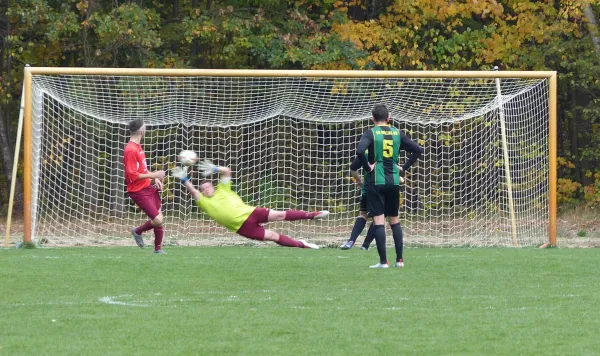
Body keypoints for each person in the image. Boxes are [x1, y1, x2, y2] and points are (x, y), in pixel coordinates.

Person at [171, 161, 326, 249]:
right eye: (203, 189)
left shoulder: (223, 188)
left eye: (207, 186)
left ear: (213, 186)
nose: (205, 189)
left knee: (279, 214)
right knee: (272, 236)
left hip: (251, 212)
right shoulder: (204, 202)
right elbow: (192, 190)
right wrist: (184, 179)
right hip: (242, 227)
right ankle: (302, 244)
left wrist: (214, 168)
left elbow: (227, 171)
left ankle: (313, 215)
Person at [357, 104, 423, 268]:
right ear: (388, 118)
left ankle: (383, 262)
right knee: (394, 220)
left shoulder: (371, 133)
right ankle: (399, 260)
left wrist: (367, 167)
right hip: (393, 180)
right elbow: (417, 149)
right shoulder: (397, 133)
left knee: (379, 221)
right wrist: (404, 168)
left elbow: (360, 151)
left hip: (376, 181)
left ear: (372, 118)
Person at [123, 119, 167, 254]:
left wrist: (154, 178)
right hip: (138, 191)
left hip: (146, 186)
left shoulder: (138, 147)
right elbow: (133, 175)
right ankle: (137, 231)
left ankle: (158, 250)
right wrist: (153, 175)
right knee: (158, 219)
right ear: (142, 131)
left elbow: (142, 170)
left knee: (160, 217)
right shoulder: (131, 149)